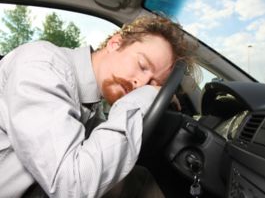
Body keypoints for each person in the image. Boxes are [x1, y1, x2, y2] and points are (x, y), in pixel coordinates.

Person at [0, 14, 194, 197]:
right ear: (115, 44)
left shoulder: (91, 104)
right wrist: (146, 97)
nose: (141, 84)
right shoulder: (43, 67)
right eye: (142, 65)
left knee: (140, 178)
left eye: (152, 83)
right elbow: (72, 187)